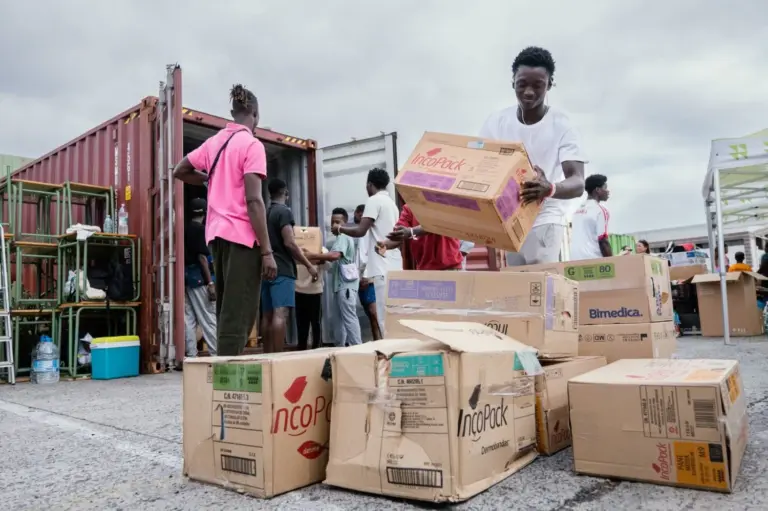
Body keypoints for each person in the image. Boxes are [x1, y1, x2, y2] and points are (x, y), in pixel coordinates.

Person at [173, 84, 276, 357]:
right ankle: (228, 379)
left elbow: (180, 170)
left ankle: (225, 372)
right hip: (242, 238)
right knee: (238, 313)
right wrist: (267, 252)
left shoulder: (214, 143)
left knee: (226, 310)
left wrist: (207, 178)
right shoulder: (252, 145)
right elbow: (254, 201)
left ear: (233, 112)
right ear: (254, 113)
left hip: (216, 238)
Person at [479, 46, 587, 266]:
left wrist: (550, 188)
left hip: (546, 216)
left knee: (541, 286)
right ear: (513, 82)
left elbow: (577, 182)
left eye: (538, 85)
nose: (529, 92)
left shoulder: (562, 124)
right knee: (517, 290)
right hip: (511, 218)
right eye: (522, 84)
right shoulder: (497, 122)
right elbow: (481, 166)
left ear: (549, 84)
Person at [334, 168, 401, 336]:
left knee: (384, 319)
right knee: (393, 317)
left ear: (370, 185)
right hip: (394, 265)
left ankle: (389, 358)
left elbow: (361, 231)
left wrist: (340, 228)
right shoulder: (392, 204)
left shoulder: (374, 201)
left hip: (381, 267)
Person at [261, 178, 318, 353]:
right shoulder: (284, 212)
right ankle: (278, 358)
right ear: (286, 193)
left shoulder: (265, 212)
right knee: (281, 314)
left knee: (267, 315)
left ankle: (267, 356)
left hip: (265, 269)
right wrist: (309, 265)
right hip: (282, 269)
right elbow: (290, 243)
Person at [306, 208, 362, 347]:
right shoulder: (340, 238)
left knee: (349, 318)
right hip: (340, 287)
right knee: (339, 321)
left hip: (345, 287)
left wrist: (312, 256)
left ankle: (359, 349)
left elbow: (334, 256)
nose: (334, 226)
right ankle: (340, 350)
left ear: (345, 223)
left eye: (337, 222)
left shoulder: (343, 236)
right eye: (332, 223)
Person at [380, 203, 465, 270]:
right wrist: (384, 245)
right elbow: (400, 235)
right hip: (424, 268)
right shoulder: (409, 207)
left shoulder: (444, 204)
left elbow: (435, 225)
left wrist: (411, 231)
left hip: (450, 267)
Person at [183, 198, 217, 357]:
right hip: (199, 278)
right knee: (209, 317)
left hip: (189, 278)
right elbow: (202, 258)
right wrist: (210, 282)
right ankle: (216, 354)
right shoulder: (200, 230)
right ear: (205, 212)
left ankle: (191, 354)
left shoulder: (186, 229)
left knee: (189, 318)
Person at [354, 204, 382, 340]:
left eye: (358, 213)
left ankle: (380, 340)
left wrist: (364, 276)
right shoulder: (360, 233)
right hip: (362, 277)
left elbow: (365, 257)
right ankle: (377, 340)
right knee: (370, 313)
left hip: (369, 277)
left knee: (374, 312)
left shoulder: (368, 232)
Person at [569, 174, 612, 260]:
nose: (608, 191)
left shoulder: (577, 211)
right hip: (594, 260)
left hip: (574, 260)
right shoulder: (600, 210)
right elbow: (603, 241)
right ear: (598, 190)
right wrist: (613, 262)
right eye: (605, 188)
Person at [295, 248, 325, 350]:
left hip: (308, 290)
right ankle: (314, 348)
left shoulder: (295, 248)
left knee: (305, 324)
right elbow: (328, 266)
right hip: (309, 290)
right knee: (313, 323)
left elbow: (328, 265)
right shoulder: (321, 249)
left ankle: (306, 348)